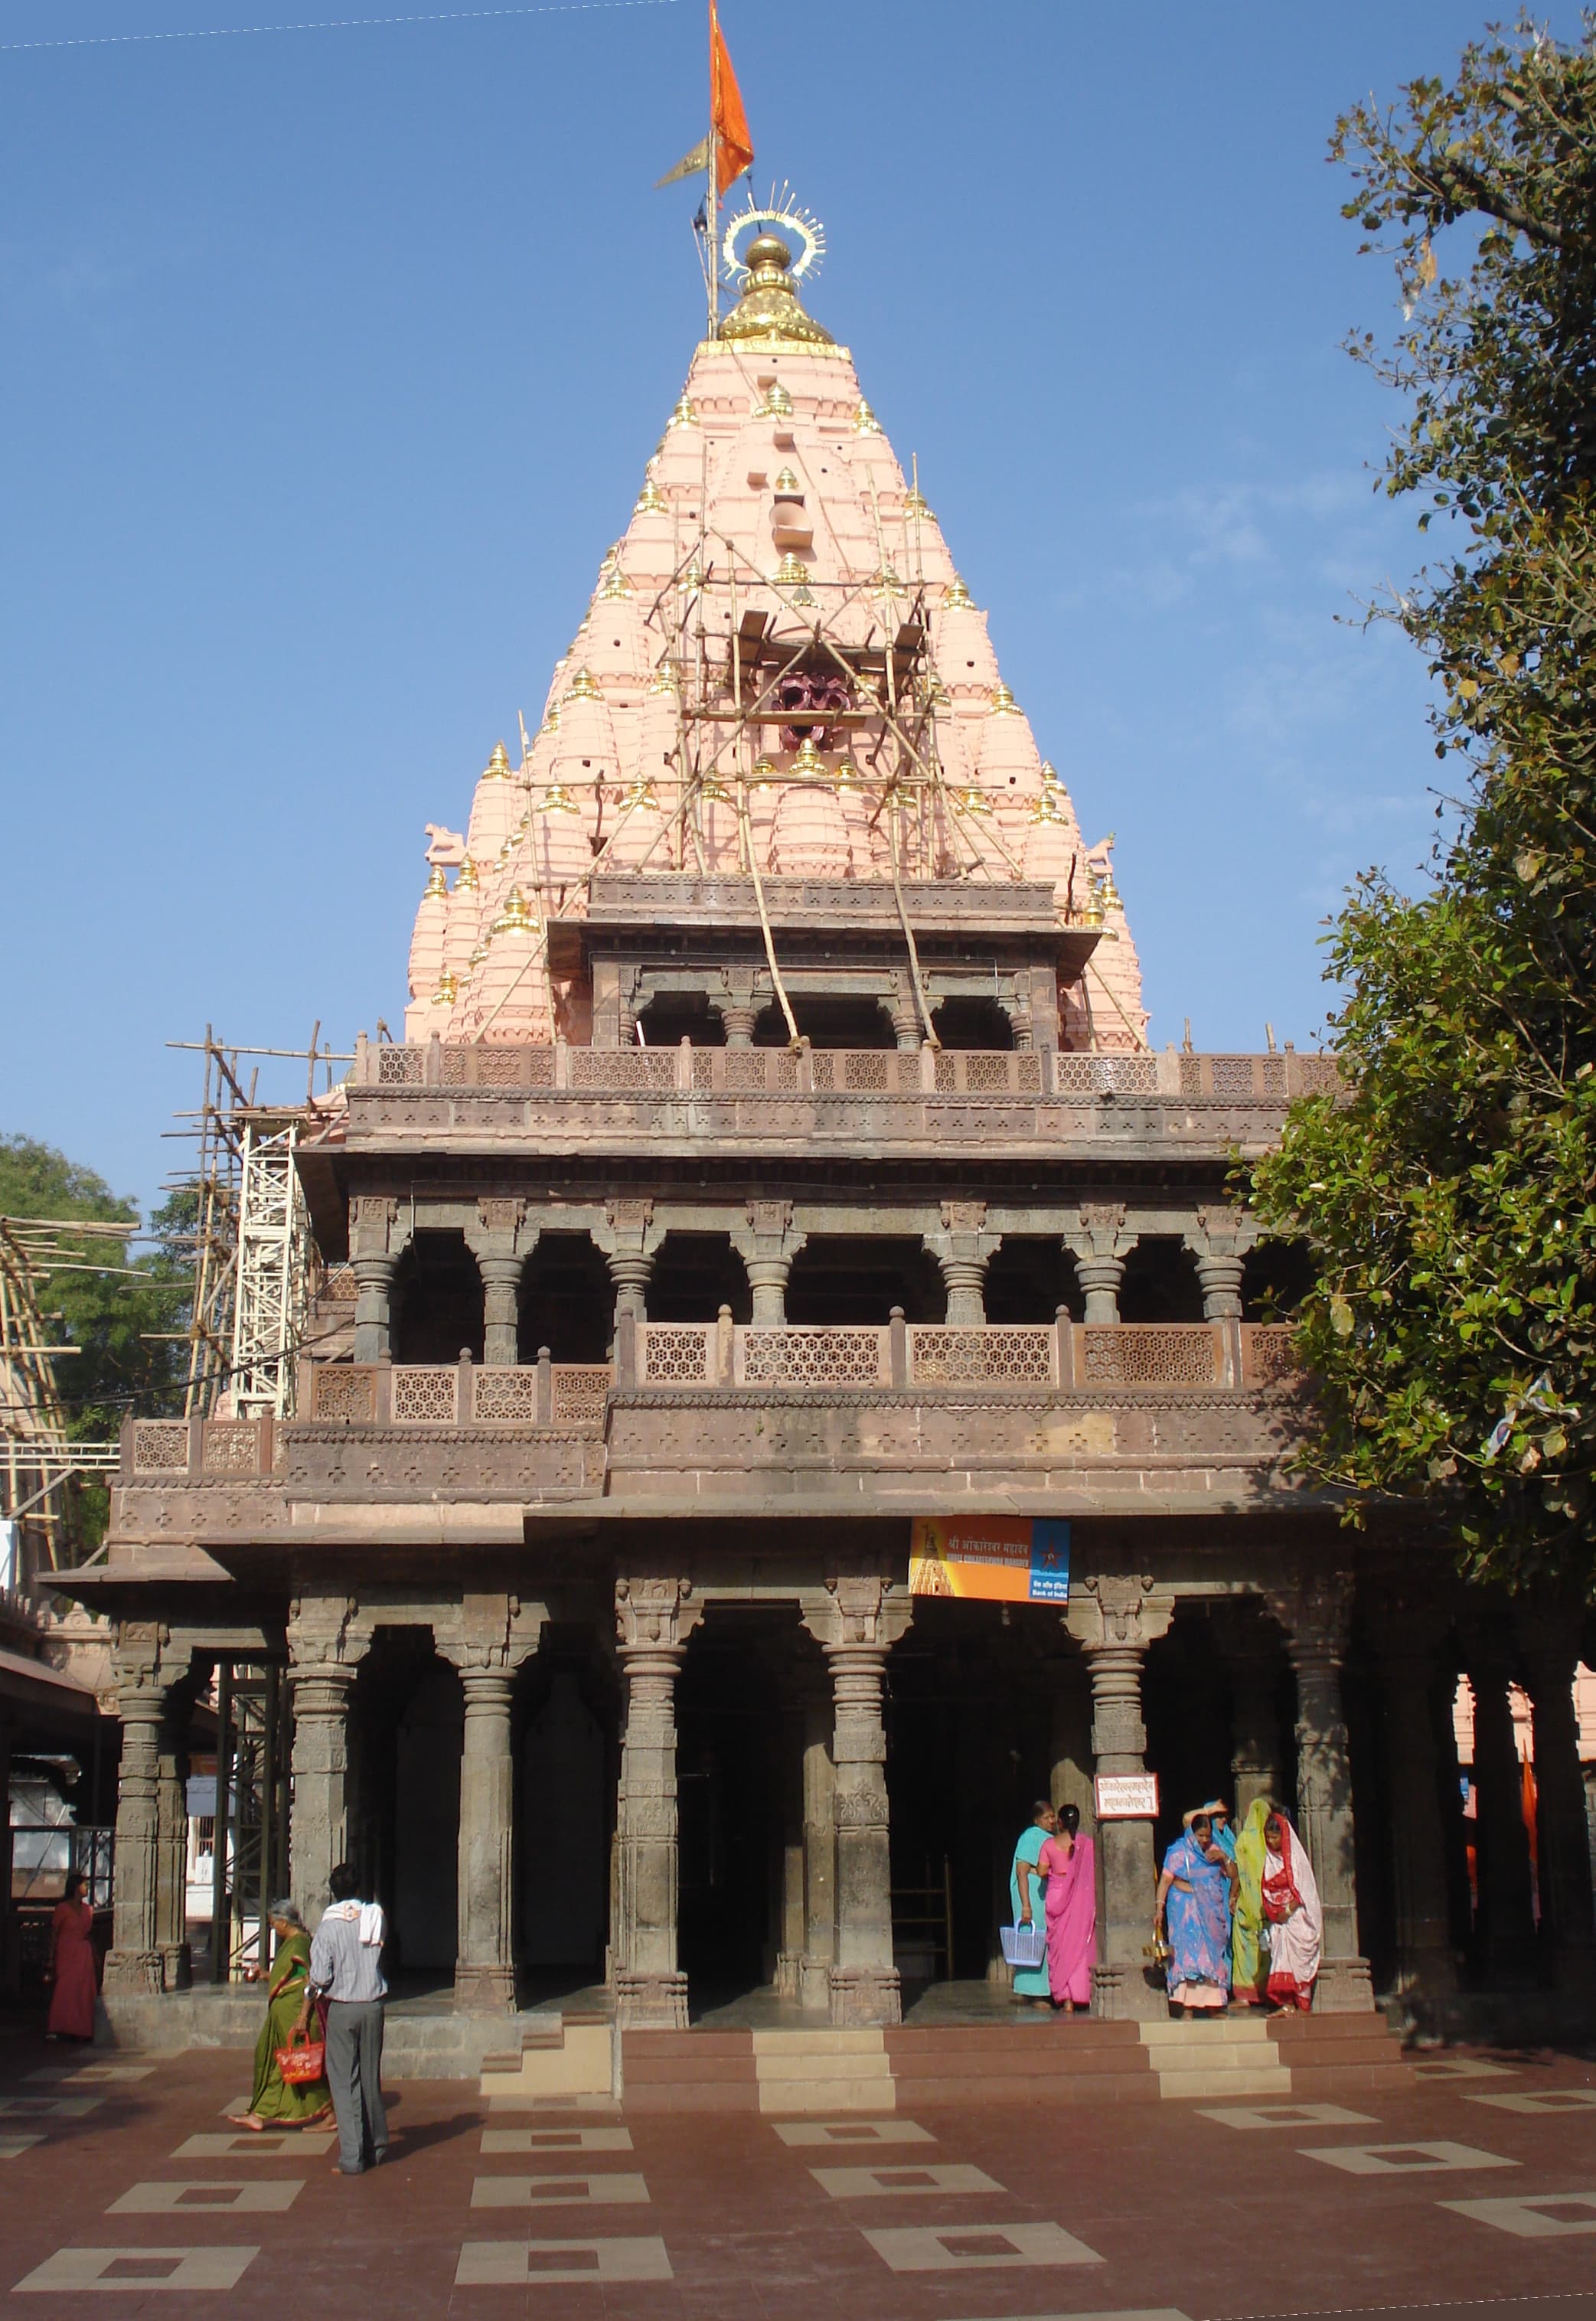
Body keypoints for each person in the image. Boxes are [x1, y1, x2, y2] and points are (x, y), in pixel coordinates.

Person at [298, 1863, 389, 2176]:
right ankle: (375, 2146)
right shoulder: (374, 1916)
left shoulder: (328, 1927)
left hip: (344, 2006)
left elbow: (321, 1976)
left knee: (343, 2081)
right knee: (369, 2078)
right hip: (373, 2005)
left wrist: (309, 1994)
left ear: (333, 1891)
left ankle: (352, 2157)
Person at [229, 1900, 332, 2130]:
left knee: (302, 2066)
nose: (274, 1928)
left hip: (295, 2015)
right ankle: (259, 2113)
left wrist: (303, 2016)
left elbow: (310, 1983)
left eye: (275, 1924)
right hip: (281, 2015)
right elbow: (289, 1978)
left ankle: (330, 2110)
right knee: (272, 2061)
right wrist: (264, 1975)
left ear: (284, 1922)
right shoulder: (292, 1943)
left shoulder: (299, 1945)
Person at [1154, 1810, 1237, 2016]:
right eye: (1200, 1836)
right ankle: (1187, 2007)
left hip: (1210, 1912)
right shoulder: (1178, 1852)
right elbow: (1165, 1880)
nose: (1204, 1840)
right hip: (1184, 1910)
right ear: (1192, 1833)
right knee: (1187, 1956)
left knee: (1210, 1956)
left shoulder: (1215, 1851)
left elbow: (1234, 1875)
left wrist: (1224, 1857)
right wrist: (1159, 1908)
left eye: (1208, 1836)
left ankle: (1213, 2006)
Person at [1260, 1808, 1322, 2013]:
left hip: (1297, 1918)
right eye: (1268, 1838)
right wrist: (1277, 1911)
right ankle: (1287, 2005)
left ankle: (1303, 2005)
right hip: (1280, 1921)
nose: (1272, 1842)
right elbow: (1267, 1887)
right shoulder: (1269, 1859)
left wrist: (1289, 1909)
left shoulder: (1296, 1860)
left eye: (1275, 1837)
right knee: (1281, 1958)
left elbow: (1304, 1890)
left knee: (1299, 1960)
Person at [1037, 1801, 1096, 2011]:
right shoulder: (1088, 1844)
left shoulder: (1049, 1845)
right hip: (1081, 1898)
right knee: (1080, 1945)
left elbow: (1042, 1871)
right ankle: (1081, 1994)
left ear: (1059, 1822)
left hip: (1056, 1895)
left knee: (1061, 1948)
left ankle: (1067, 1999)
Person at [1010, 1801, 1056, 2009]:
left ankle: (1034, 1989)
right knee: (1034, 1938)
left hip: (1042, 1895)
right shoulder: (1030, 1837)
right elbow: (1022, 1870)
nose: (1052, 1821)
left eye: (1053, 1817)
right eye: (1047, 1817)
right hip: (1031, 1897)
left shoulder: (1049, 1839)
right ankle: (1035, 1992)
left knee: (1040, 1939)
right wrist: (1026, 1904)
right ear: (1037, 1820)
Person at [44, 1872, 98, 2042]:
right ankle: (57, 2026)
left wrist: (95, 1954)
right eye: (84, 1885)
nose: (87, 1888)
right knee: (65, 1987)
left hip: (84, 1952)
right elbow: (54, 1932)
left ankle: (82, 2028)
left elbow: (89, 1934)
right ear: (76, 1887)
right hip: (66, 1951)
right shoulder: (63, 1909)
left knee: (83, 1990)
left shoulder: (88, 1910)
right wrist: (50, 1958)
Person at [1230, 1797, 1271, 2006]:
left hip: (1246, 1903)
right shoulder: (1271, 1841)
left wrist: (1232, 1896)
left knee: (1244, 1947)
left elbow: (1239, 1871)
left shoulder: (1245, 1839)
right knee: (1265, 1949)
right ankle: (1264, 1991)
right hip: (1265, 1905)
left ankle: (1245, 1995)